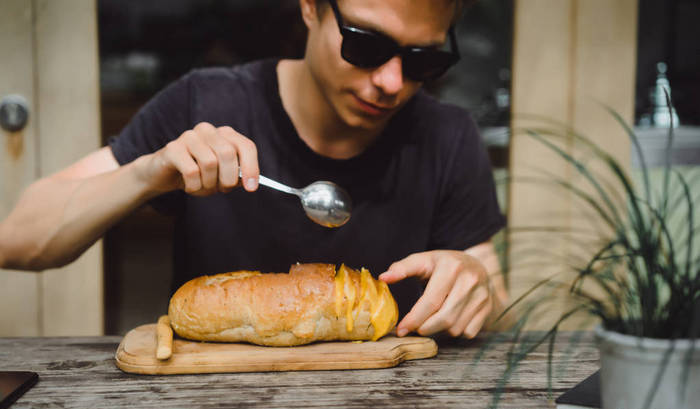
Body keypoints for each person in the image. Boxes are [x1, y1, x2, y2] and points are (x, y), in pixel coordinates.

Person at [0, 0, 506, 339]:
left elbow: (494, 296)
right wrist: (146, 172)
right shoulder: (205, 101)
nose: (392, 82)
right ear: (310, 6)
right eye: (366, 45)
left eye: (422, 60)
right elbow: (19, 240)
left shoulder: (448, 135)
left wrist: (477, 279)